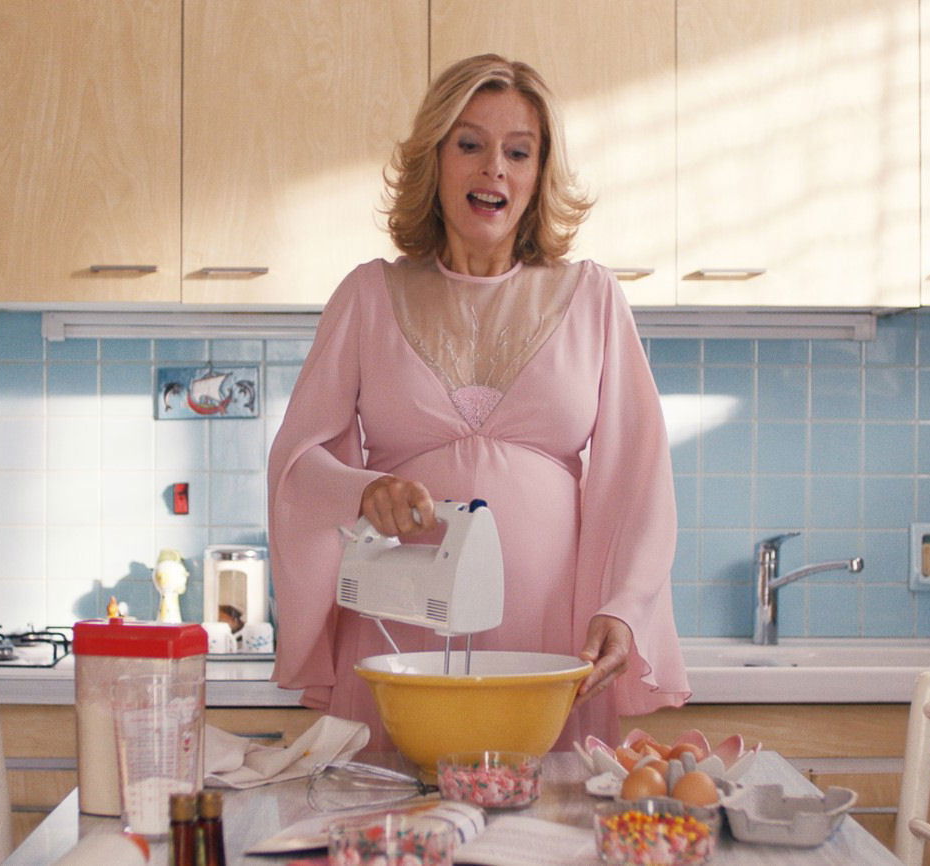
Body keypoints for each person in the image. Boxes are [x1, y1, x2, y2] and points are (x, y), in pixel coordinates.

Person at [266, 54, 688, 746]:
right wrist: (364, 490)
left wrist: (625, 606)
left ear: (537, 176)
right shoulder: (367, 295)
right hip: (398, 639)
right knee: (395, 809)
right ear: (434, 161)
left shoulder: (592, 297)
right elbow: (297, 464)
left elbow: (639, 478)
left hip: (551, 648)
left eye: (517, 152)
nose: (494, 168)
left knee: (543, 811)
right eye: (469, 144)